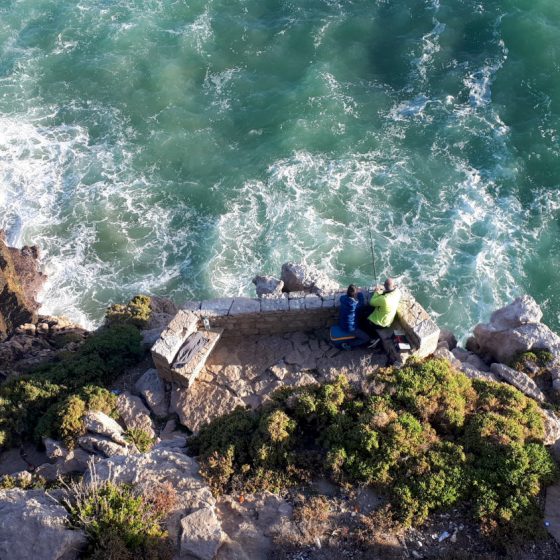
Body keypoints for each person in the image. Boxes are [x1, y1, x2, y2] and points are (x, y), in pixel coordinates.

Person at [338, 284, 371, 349]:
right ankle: (349, 344)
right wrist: (360, 293)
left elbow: (343, 297)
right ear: (355, 294)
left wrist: (355, 292)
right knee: (366, 338)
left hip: (343, 322)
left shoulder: (342, 298)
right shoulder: (353, 305)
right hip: (350, 328)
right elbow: (362, 303)